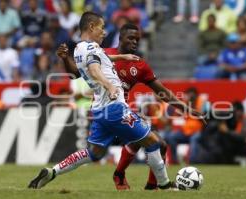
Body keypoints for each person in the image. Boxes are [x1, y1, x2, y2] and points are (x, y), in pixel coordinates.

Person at [28, 11, 184, 190]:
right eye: (101, 28)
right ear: (92, 27)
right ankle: (165, 186)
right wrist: (110, 86)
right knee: (153, 142)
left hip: (99, 110)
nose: (104, 32)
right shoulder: (93, 48)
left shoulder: (80, 48)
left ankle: (53, 171)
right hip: (114, 108)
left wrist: (122, 57)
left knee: (94, 153)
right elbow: (95, 69)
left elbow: (94, 61)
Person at [55, 23, 206, 190]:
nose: (135, 42)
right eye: (131, 38)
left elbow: (162, 92)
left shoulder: (139, 65)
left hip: (119, 111)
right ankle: (152, 183)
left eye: (138, 39)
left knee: (150, 143)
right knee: (151, 142)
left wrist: (186, 109)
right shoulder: (102, 53)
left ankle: (144, 183)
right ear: (120, 38)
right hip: (106, 111)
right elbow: (75, 73)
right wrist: (65, 58)